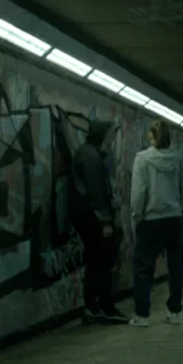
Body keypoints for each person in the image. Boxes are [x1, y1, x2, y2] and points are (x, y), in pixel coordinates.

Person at [128, 119, 183, 327]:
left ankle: (142, 315)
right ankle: (174, 312)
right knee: (176, 266)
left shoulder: (142, 159)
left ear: (151, 137)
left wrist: (136, 216)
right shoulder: (178, 159)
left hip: (151, 220)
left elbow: (139, 192)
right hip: (174, 219)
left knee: (143, 267)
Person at [70, 119, 129, 325]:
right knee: (103, 260)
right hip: (91, 217)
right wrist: (105, 222)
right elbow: (96, 191)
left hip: (86, 215)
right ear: (102, 135)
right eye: (111, 135)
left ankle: (92, 308)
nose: (112, 139)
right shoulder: (91, 157)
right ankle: (105, 307)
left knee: (95, 261)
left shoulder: (90, 153)